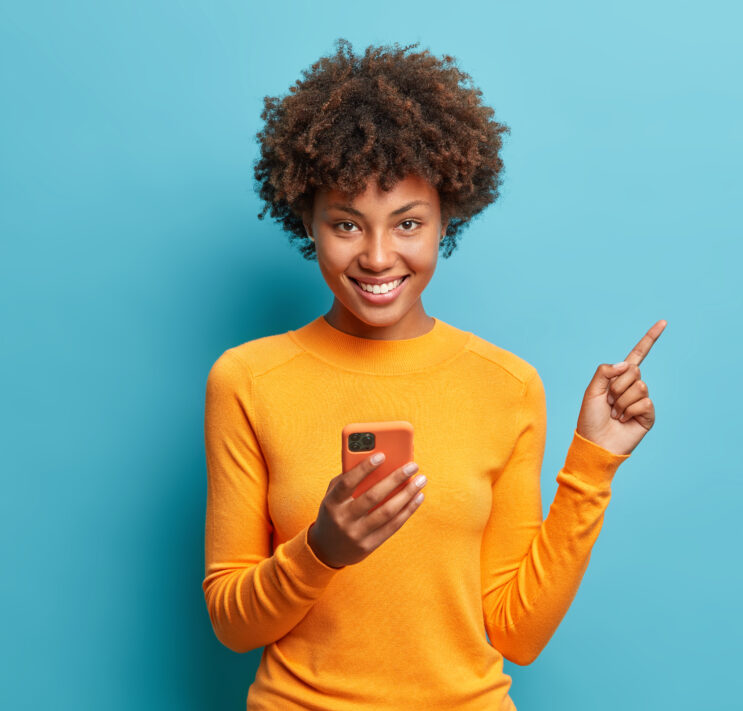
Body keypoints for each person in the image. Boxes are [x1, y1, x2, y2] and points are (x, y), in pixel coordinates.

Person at [202, 38, 666, 711]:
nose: (379, 256)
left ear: (447, 216)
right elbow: (232, 623)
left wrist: (594, 463)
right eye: (346, 224)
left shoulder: (508, 386)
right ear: (306, 218)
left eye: (408, 223)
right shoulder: (247, 379)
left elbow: (518, 631)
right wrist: (322, 549)